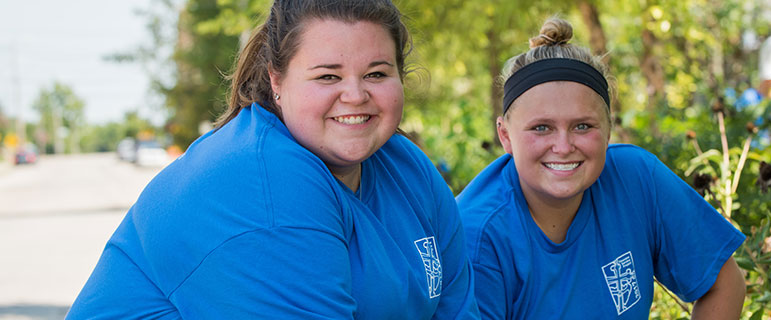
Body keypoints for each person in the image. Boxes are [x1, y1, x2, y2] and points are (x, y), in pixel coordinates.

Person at [66, 0, 478, 318]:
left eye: (376, 73)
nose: (355, 95)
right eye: (327, 76)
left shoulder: (406, 166)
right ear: (276, 81)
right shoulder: (265, 185)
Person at [457, 18, 746, 319]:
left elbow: (724, 284)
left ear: (609, 130)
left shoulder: (636, 178)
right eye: (541, 128)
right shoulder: (476, 237)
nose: (563, 146)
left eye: (582, 126)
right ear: (505, 136)